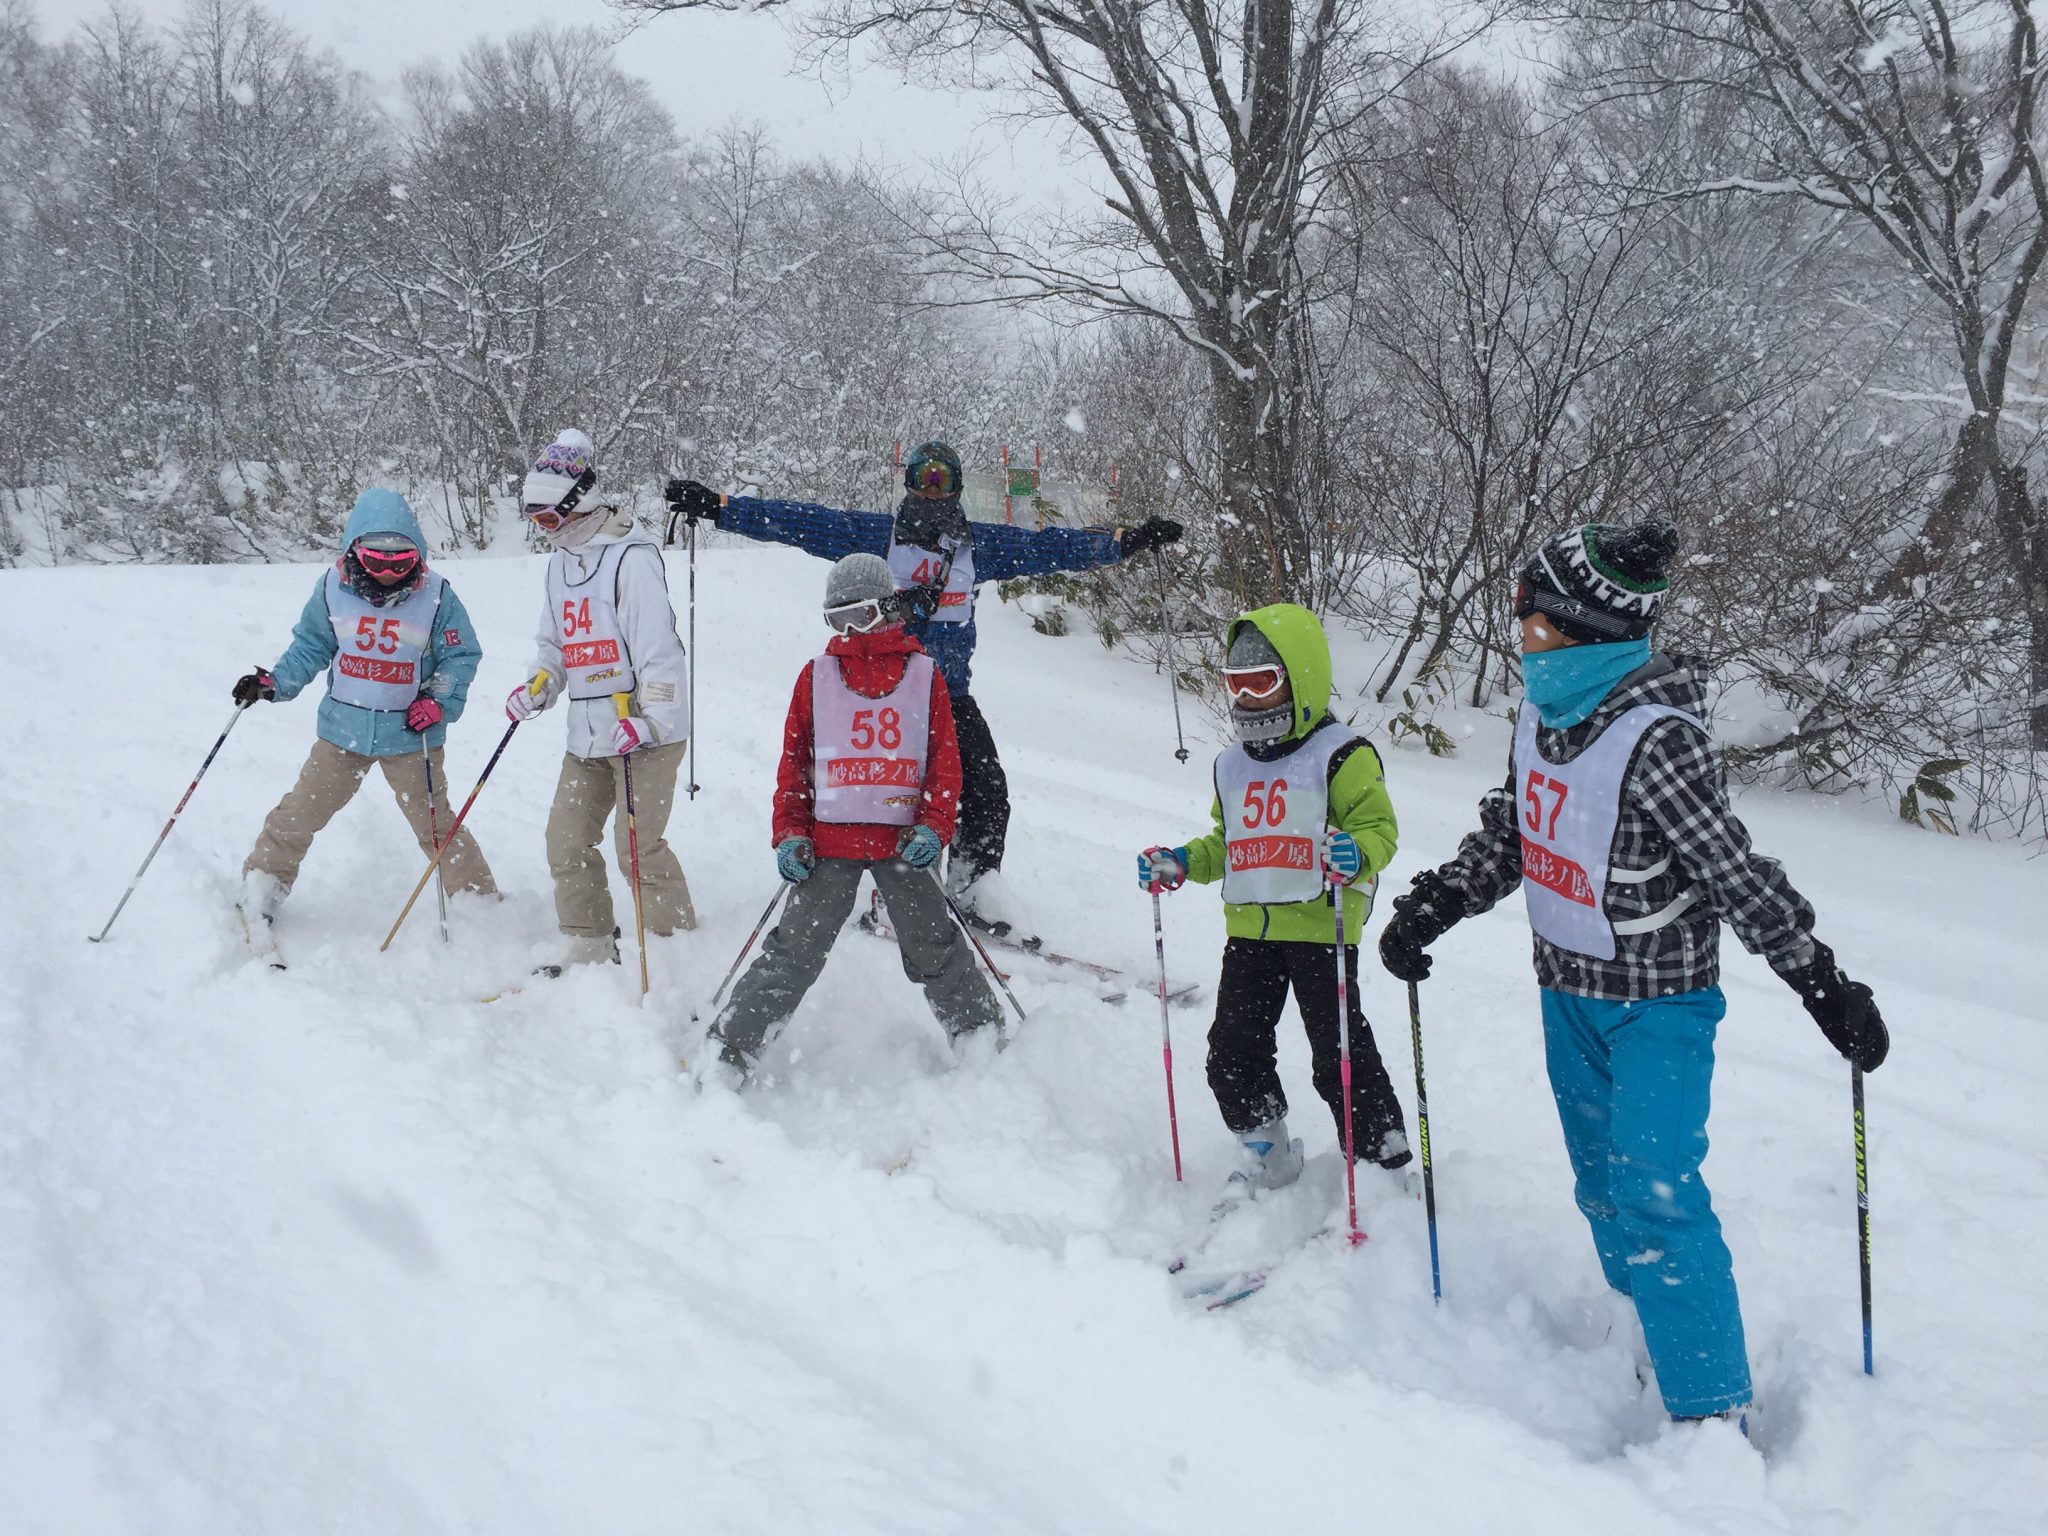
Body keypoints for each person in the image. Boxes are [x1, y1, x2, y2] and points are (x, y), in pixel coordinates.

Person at [1376, 519, 1891, 1433]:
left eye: (1536, 626)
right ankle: (1645, 1325)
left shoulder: (1659, 739)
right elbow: (1515, 832)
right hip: (1565, 992)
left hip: (1659, 1005)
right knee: (1599, 1185)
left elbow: (1731, 872)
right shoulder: (1542, 713)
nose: (1523, 641)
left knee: (1656, 1190)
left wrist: (1819, 980)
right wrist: (1441, 900)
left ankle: (1711, 1411)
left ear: (1587, 631)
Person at [664, 441, 1182, 941]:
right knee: (897, 797)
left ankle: (972, 889)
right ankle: (897, 893)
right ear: (908, 484)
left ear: (956, 488)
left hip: (949, 695)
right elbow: (800, 522)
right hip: (885, 696)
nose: (932, 491)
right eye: (923, 479)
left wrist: (1124, 542)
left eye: (943, 480)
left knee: (987, 792)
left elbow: (1048, 548)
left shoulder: (978, 546)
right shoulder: (878, 537)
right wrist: (720, 508)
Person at [1135, 603, 1413, 1197]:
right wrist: (1182, 861)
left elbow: (1379, 830)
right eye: (1236, 684)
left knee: (1338, 1054)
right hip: (1251, 932)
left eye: (1262, 682)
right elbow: (1228, 842)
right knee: (1232, 1050)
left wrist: (1357, 853)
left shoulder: (1342, 753)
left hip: (1321, 927)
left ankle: (1381, 1163)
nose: (1247, 698)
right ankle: (1266, 1147)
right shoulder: (1231, 764)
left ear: (1300, 677)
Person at [709, 553, 1002, 1081]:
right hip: (829, 844)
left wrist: (935, 826)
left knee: (933, 946)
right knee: (794, 951)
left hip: (904, 843)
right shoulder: (816, 676)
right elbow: (795, 764)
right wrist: (790, 832)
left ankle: (980, 1036)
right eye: (836, 619)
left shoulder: (923, 674)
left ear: (886, 608)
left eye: (858, 617)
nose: (847, 632)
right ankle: (729, 1051)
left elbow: (945, 765)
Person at [234, 488, 495, 938]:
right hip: (344, 732)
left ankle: (477, 900)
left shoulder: (436, 595)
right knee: (300, 812)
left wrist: (437, 701)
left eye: (401, 562)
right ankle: (264, 883)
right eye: (376, 561)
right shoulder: (332, 587)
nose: (389, 573)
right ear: (355, 550)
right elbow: (311, 646)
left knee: (435, 823)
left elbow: (461, 656)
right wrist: (274, 683)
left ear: (418, 555)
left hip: (410, 735)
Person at [506, 428, 697, 976]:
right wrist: (539, 685)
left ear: (578, 502)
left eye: (548, 517)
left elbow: (660, 652)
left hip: (644, 733)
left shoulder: (631, 559)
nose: (543, 530)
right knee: (566, 843)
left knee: (637, 848)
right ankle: (588, 945)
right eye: (533, 519)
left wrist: (652, 721)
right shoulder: (559, 565)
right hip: (587, 734)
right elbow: (554, 646)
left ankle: (675, 955)